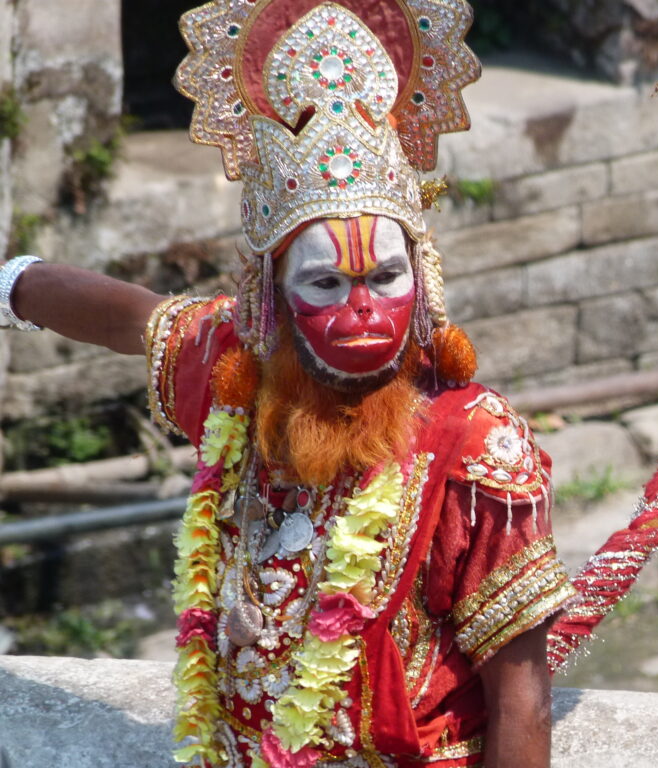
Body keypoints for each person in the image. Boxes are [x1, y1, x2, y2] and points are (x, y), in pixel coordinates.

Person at [0, 2, 576, 766]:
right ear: (271, 297)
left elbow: (521, 695)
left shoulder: (473, 441)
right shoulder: (238, 372)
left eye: (383, 276)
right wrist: (9, 284)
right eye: (327, 282)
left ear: (424, 280)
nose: (362, 308)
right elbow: (127, 319)